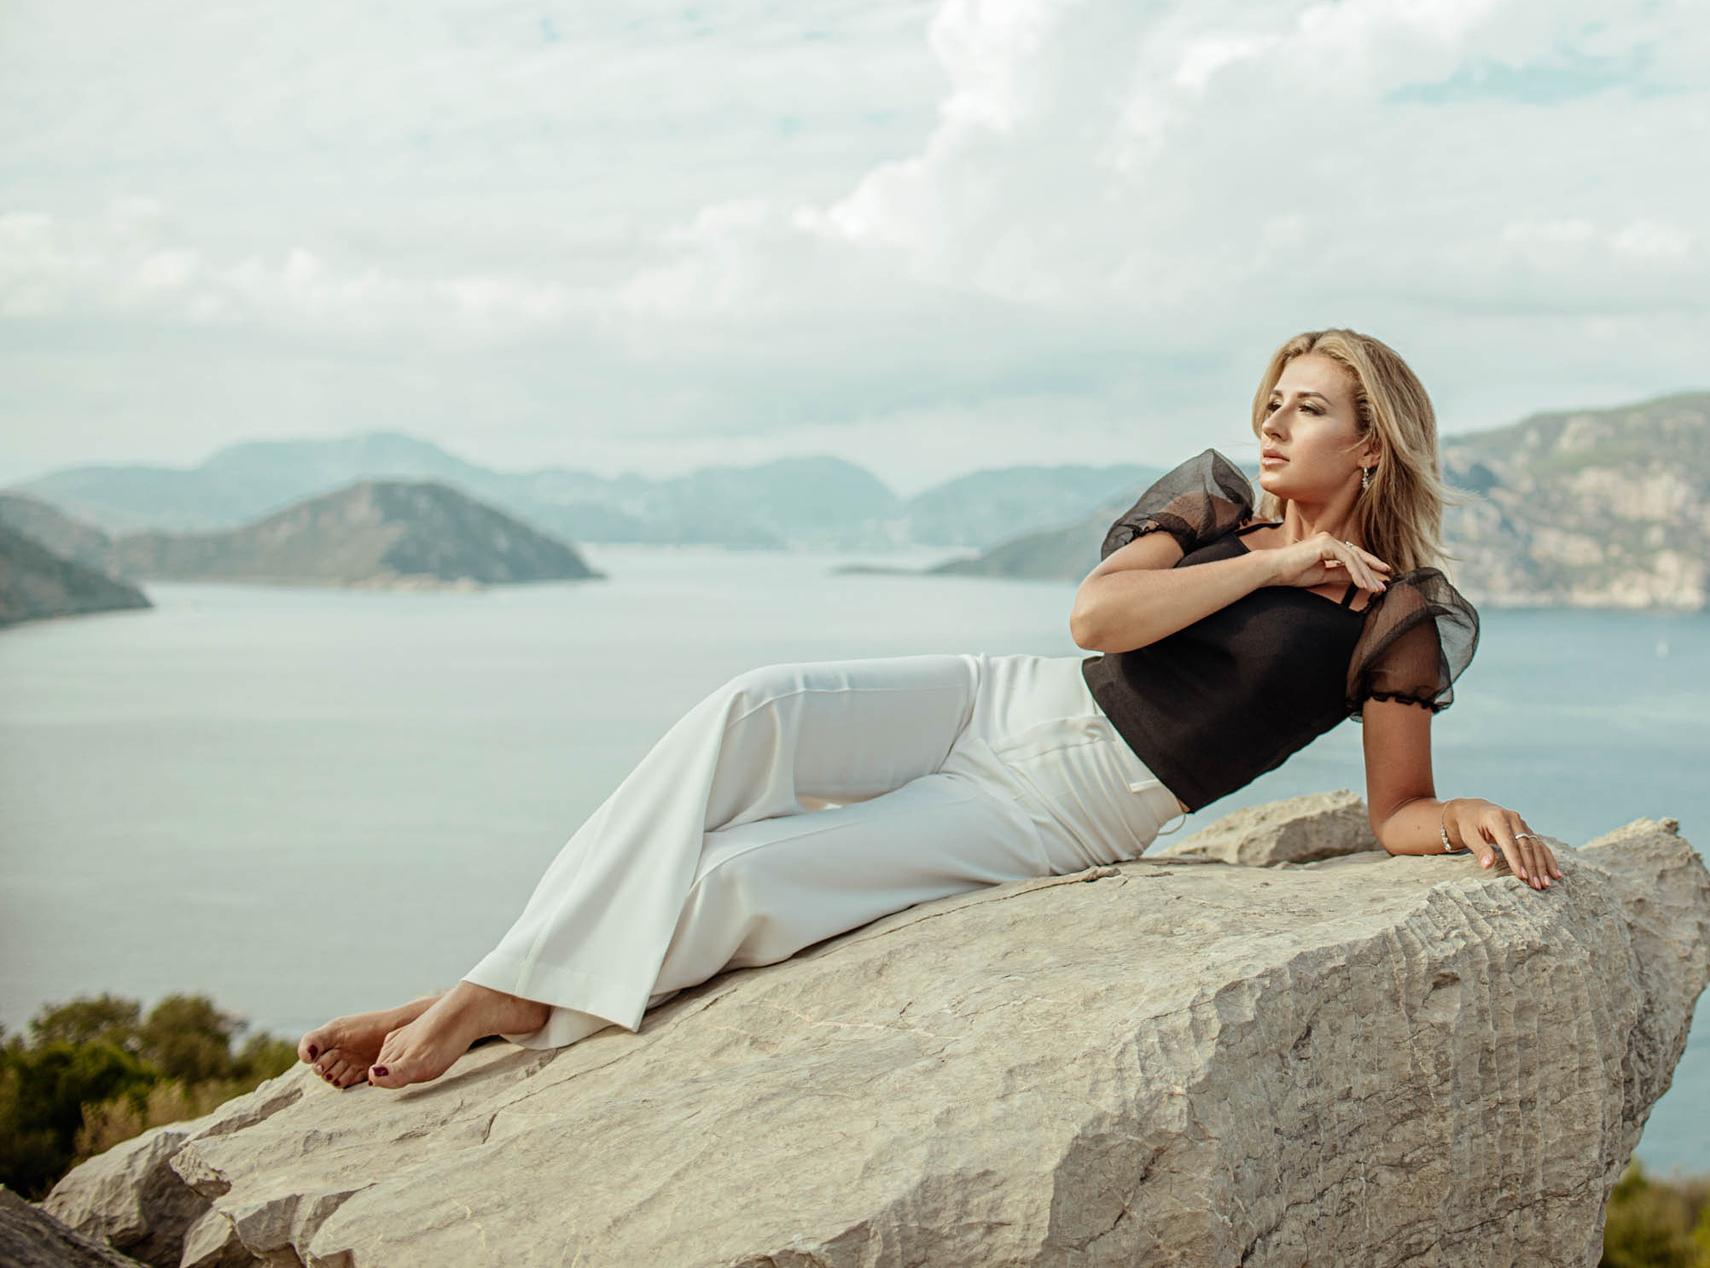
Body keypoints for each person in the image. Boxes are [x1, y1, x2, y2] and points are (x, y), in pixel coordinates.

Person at [297, 328, 1560, 1091]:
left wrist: (1463, 820)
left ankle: (478, 1005)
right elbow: (1094, 622)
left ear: (1373, 445)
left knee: (743, 875)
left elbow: (1395, 809)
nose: (1275, 425)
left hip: (1064, 807)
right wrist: (1277, 562)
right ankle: (490, 988)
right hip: (1003, 699)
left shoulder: (1396, 614)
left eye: (1310, 409)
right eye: (1273, 401)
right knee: (755, 707)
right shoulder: (1223, 508)